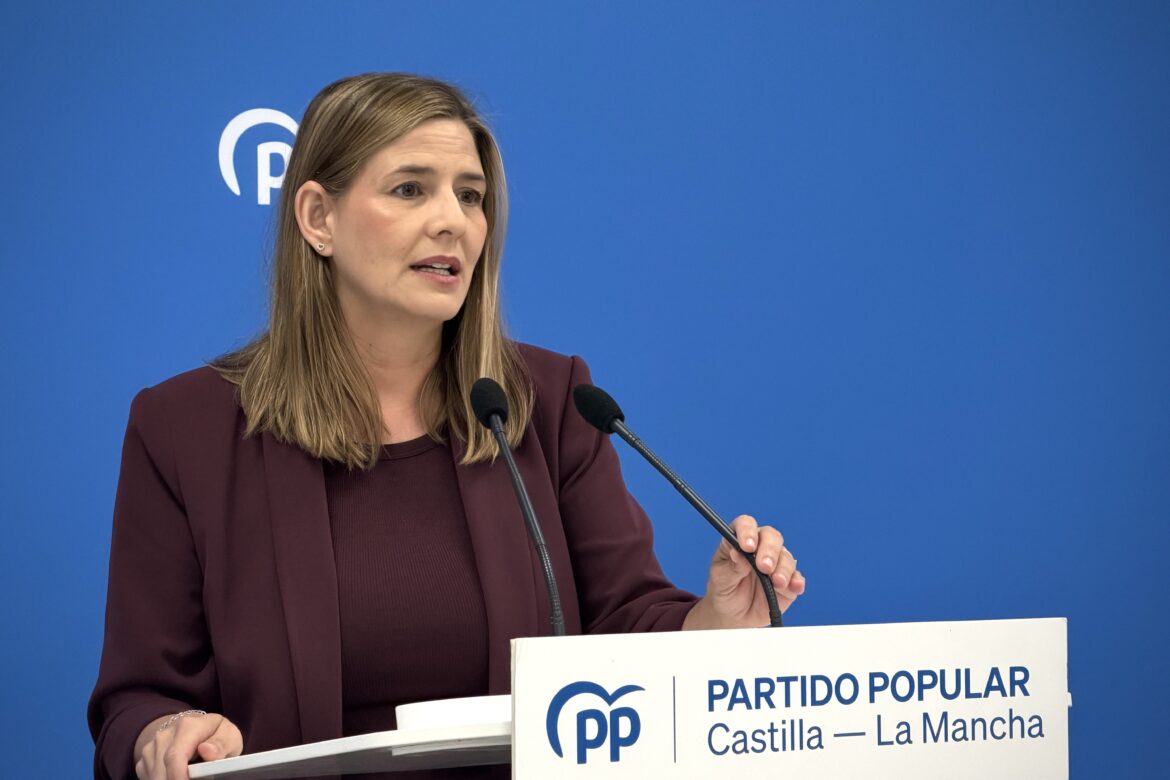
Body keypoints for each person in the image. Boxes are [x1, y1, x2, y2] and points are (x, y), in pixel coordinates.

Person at [88, 73, 806, 780]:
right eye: (410, 189)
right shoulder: (184, 429)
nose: (453, 221)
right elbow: (138, 699)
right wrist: (164, 732)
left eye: (470, 195)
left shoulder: (550, 403)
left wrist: (714, 622)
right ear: (317, 218)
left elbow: (623, 623)